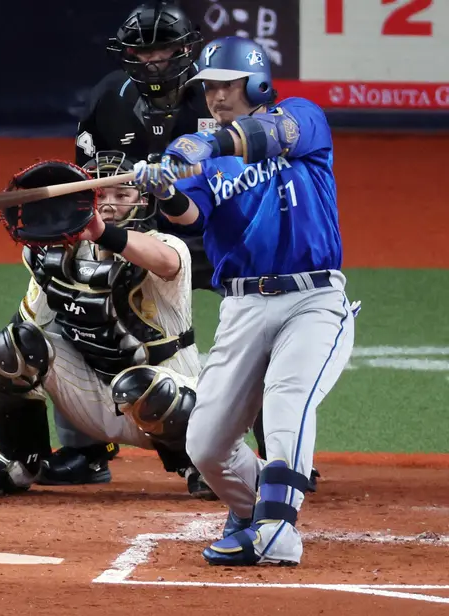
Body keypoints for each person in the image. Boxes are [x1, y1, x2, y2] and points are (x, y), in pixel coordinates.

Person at [45, 0, 294, 488]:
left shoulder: (219, 97)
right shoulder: (109, 98)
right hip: (136, 237)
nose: (153, 62)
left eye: (163, 51)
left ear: (186, 50)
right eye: (141, 53)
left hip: (220, 231)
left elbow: (263, 160)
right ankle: (87, 451)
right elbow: (92, 179)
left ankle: (277, 457)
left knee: (263, 326)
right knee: (77, 303)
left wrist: (191, 167)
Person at [134, 36, 359, 565]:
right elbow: (191, 217)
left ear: (256, 83)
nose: (215, 97)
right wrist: (164, 189)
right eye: (208, 87)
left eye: (226, 85)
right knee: (206, 445)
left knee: (286, 400)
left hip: (312, 299)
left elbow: (270, 135)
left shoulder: (303, 118)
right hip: (242, 307)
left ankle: (277, 532)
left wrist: (205, 146)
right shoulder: (200, 154)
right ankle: (250, 508)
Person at [0, 151, 216, 500]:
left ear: (142, 200)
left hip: (168, 401)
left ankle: (202, 465)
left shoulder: (168, 245)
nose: (108, 204)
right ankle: (21, 462)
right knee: (13, 345)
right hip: (93, 400)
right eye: (100, 194)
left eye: (122, 194)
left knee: (143, 386)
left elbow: (165, 262)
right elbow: (27, 324)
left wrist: (101, 232)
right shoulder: (55, 256)